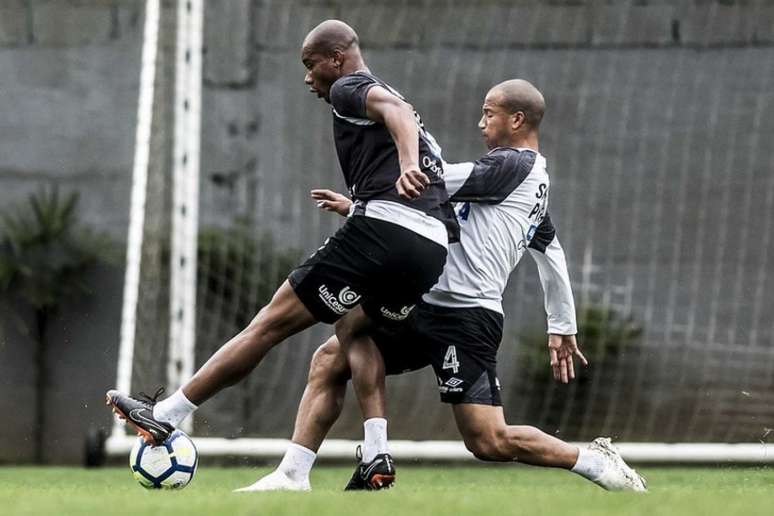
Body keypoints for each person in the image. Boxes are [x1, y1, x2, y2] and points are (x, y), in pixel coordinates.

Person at [234, 79, 647, 493]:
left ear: (517, 119)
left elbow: (428, 182)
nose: (479, 122)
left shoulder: (512, 166)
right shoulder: (524, 182)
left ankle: (593, 461)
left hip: (466, 318)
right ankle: (297, 473)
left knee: (489, 441)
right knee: (333, 354)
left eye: (489, 113)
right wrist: (561, 325)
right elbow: (550, 252)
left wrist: (366, 199)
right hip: (422, 303)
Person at [106, 19, 458, 486]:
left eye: (311, 66)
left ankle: (166, 413)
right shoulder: (393, 103)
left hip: (382, 231)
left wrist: (404, 169)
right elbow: (409, 138)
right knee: (352, 330)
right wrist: (360, 203)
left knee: (268, 324)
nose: (308, 78)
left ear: (337, 58)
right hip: (429, 250)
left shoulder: (350, 86)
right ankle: (366, 454)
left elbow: (396, 112)